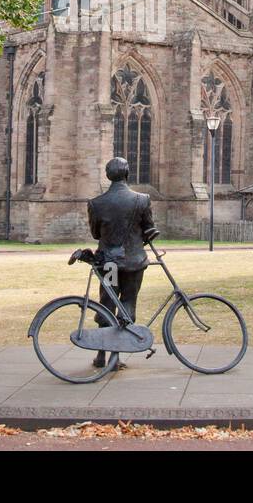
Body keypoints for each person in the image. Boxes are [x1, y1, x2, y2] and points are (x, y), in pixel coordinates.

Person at [83, 156, 158, 370]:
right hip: (133, 263)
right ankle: (116, 357)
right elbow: (148, 228)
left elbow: (96, 233)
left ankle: (101, 356)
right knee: (128, 303)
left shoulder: (96, 204)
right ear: (127, 174)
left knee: (107, 303)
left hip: (109, 264)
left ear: (108, 176)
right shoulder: (142, 199)